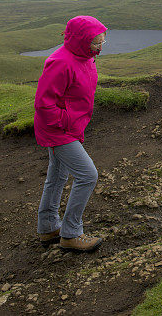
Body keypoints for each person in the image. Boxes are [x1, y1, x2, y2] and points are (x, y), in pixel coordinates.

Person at [35, 15, 107, 252]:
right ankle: (71, 233)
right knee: (88, 175)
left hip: (70, 127)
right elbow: (44, 104)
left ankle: (48, 228)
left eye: (102, 41)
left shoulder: (85, 57)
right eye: (96, 42)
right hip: (60, 130)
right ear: (81, 40)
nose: (99, 46)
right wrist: (67, 122)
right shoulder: (60, 62)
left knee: (57, 176)